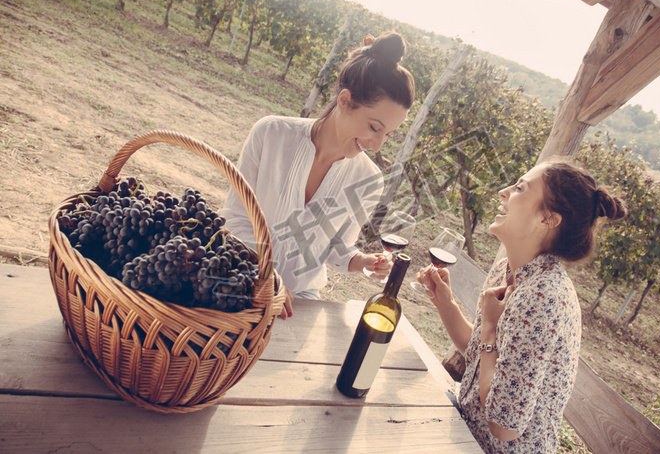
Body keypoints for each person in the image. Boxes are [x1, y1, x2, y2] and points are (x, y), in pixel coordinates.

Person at [417, 160, 627, 452]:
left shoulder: (543, 298)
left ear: (547, 219)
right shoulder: (510, 269)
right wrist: (445, 302)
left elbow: (504, 427)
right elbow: (480, 354)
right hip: (466, 433)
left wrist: (490, 327)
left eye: (519, 188)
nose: (503, 192)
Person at [221, 32, 415, 319]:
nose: (378, 145)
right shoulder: (270, 134)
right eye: (374, 128)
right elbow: (235, 219)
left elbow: (336, 248)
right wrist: (266, 278)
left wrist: (362, 260)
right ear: (345, 101)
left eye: (389, 134)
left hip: (300, 301)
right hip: (238, 279)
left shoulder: (370, 180)